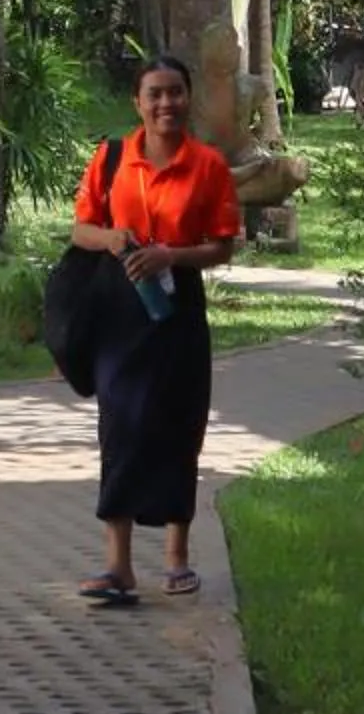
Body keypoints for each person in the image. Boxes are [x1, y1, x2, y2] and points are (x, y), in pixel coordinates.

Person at [69, 50, 242, 608]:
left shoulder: (208, 165)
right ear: (137, 103)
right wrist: (115, 238)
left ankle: (177, 559)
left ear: (188, 98)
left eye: (175, 92)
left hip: (178, 309)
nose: (166, 102)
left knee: (177, 427)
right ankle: (118, 569)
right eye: (155, 94)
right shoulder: (112, 157)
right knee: (119, 429)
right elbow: (81, 229)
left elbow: (223, 246)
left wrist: (172, 256)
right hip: (121, 309)